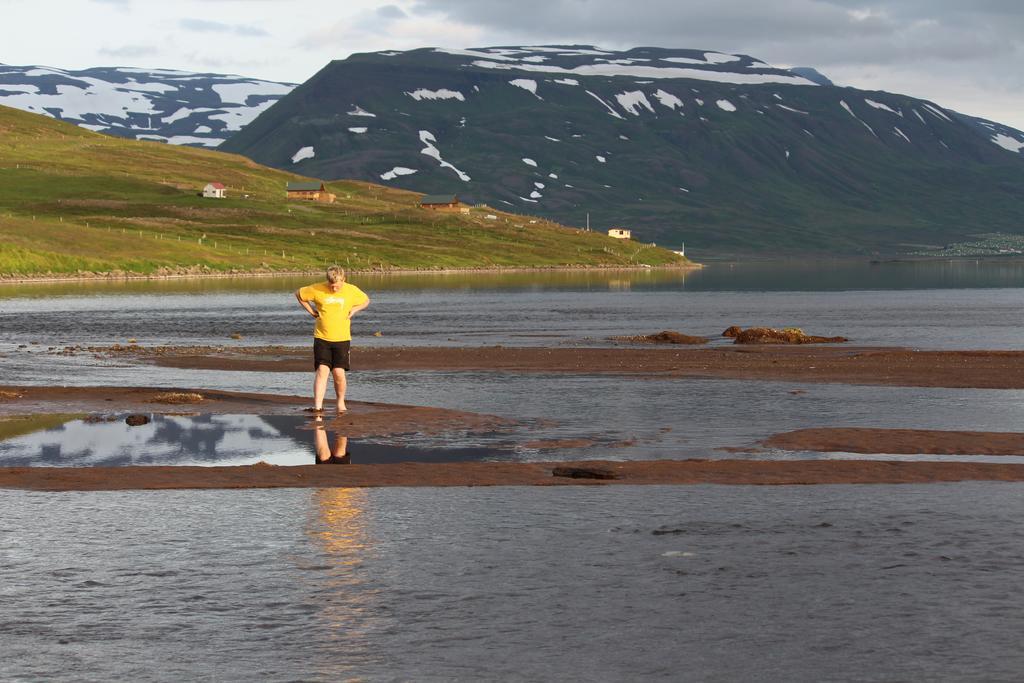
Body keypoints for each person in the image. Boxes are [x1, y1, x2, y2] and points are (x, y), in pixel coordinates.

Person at [295, 266, 370, 414]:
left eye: (337, 285)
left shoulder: (351, 290)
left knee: (338, 373)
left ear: (344, 280)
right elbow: (299, 294)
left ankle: (340, 403)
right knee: (322, 370)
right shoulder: (317, 288)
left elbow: (366, 300)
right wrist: (311, 312)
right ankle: (318, 406)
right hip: (321, 337)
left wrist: (354, 310)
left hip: (342, 338)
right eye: (331, 285)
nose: (334, 288)